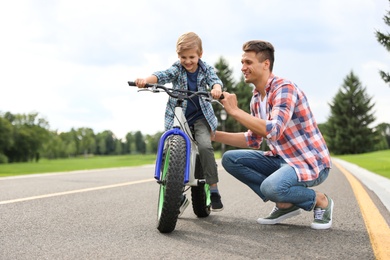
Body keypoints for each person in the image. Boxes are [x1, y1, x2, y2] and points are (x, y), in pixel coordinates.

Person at [212, 40, 333, 229]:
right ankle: (285, 204)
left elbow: (274, 131)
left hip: (309, 162)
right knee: (230, 159)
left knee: (271, 187)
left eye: (248, 63)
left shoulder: (284, 89)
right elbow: (253, 139)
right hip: (281, 159)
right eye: (242, 62)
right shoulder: (256, 98)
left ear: (266, 64)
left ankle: (320, 200)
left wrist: (235, 111)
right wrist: (212, 135)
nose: (243, 67)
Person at [134, 32, 224, 213]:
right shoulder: (178, 68)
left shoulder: (205, 69)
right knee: (169, 147)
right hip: (178, 116)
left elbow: (215, 81)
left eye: (192, 57)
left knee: (205, 146)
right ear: (178, 56)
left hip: (200, 117)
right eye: (184, 57)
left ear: (200, 54)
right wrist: (145, 81)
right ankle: (175, 194)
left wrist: (216, 89)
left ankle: (213, 188)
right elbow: (163, 75)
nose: (188, 61)